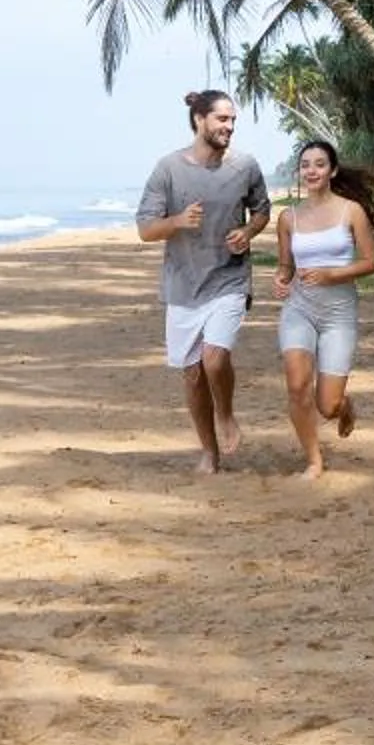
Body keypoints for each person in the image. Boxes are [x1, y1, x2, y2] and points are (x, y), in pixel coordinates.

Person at [136, 90, 271, 473]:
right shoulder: (168, 169)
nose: (229, 127)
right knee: (193, 374)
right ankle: (208, 452)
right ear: (200, 119)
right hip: (182, 286)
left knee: (215, 358)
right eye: (222, 120)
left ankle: (226, 414)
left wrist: (248, 231)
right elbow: (146, 228)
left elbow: (262, 211)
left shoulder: (245, 166)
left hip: (229, 278)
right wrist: (177, 221)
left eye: (232, 121)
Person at [273, 140, 374, 478]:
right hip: (299, 309)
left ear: (332, 170)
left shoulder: (351, 211)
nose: (312, 171)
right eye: (305, 165)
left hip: (338, 314)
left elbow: (371, 262)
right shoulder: (288, 217)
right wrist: (281, 279)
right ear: (300, 172)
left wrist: (333, 274)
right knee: (296, 385)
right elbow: (285, 266)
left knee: (327, 405)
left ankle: (344, 406)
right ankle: (313, 460)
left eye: (319, 164)